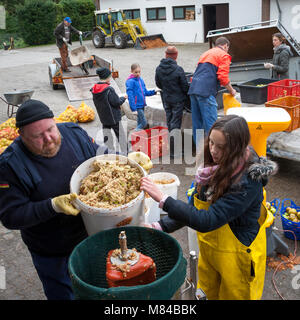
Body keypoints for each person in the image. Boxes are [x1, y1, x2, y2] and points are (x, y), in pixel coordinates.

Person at [141, 114, 278, 300]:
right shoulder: (212, 169)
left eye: (221, 147)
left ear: (236, 149)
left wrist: (164, 199)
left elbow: (207, 219)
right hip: (212, 254)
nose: (213, 150)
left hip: (237, 257)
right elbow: (194, 209)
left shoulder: (248, 182)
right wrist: (159, 226)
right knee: (208, 295)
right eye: (211, 142)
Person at [0, 99, 107, 300]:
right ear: (21, 136)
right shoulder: (10, 166)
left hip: (90, 236)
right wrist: (52, 206)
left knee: (96, 288)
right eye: (38, 137)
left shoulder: (74, 133)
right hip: (54, 251)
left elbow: (101, 158)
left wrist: (124, 159)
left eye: (51, 129)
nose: (49, 139)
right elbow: (10, 216)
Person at [188, 36, 236, 144]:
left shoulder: (206, 54)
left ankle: (201, 153)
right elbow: (223, 77)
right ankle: (212, 155)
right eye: (227, 48)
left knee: (198, 125)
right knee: (212, 126)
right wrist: (231, 90)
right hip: (206, 92)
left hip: (194, 89)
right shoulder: (224, 55)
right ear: (225, 46)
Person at [155, 46, 189, 157]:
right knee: (175, 124)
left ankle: (171, 148)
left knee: (169, 122)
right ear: (175, 56)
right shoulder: (178, 69)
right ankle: (175, 151)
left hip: (166, 98)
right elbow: (185, 86)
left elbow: (158, 84)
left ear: (166, 55)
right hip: (177, 100)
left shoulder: (159, 68)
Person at [91, 67, 128, 154]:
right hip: (113, 117)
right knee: (120, 135)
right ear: (108, 77)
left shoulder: (94, 89)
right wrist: (123, 98)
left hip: (103, 117)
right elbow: (116, 102)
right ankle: (125, 152)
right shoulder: (109, 89)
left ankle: (109, 151)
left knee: (107, 134)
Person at [126, 63, 157, 131]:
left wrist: (154, 92)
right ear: (131, 71)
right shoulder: (130, 82)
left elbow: (145, 92)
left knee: (139, 122)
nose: (138, 74)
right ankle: (133, 134)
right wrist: (133, 108)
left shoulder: (140, 80)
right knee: (144, 123)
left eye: (139, 72)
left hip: (142, 105)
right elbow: (130, 96)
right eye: (136, 72)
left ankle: (137, 137)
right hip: (137, 106)